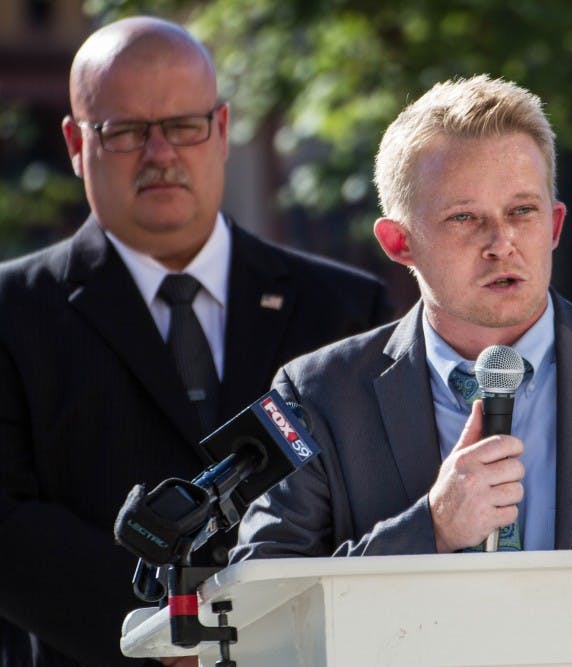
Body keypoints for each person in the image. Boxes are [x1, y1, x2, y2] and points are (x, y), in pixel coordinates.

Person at [231, 74, 572, 665]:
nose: (501, 242)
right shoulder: (318, 394)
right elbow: (264, 611)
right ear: (399, 242)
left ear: (553, 225)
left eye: (522, 211)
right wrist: (431, 528)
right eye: (464, 218)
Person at [0, 16, 391, 667]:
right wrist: (167, 632)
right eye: (125, 131)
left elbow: (376, 500)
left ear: (222, 129)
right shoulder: (12, 314)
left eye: (184, 125)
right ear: (74, 142)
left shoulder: (347, 310)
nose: (160, 154)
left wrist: (256, 628)